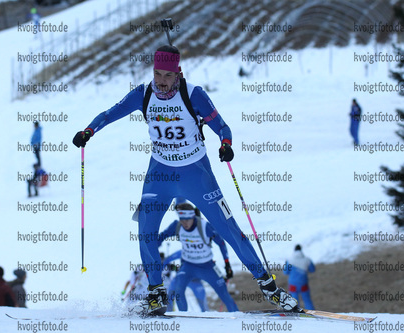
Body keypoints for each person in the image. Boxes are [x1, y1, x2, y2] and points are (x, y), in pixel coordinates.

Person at [73, 44, 298, 316]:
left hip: (195, 174)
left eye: (168, 75)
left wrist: (226, 145)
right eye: (157, 73)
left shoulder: (194, 95)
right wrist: (89, 131)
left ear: (178, 73)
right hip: (159, 174)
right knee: (146, 230)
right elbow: (110, 113)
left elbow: (222, 127)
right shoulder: (143, 94)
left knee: (228, 229)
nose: (161, 81)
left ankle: (268, 285)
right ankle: (156, 293)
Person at [158, 202, 237, 312]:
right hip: (188, 266)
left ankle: (237, 317)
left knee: (224, 294)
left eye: (187, 220)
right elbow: (161, 237)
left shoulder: (204, 226)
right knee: (178, 290)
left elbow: (221, 243)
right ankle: (184, 318)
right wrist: (151, 248)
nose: (184, 223)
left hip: (207, 266)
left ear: (192, 217)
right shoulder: (177, 225)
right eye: (182, 219)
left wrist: (227, 264)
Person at [283, 244, 315, 310]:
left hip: (293, 284)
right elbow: (312, 269)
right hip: (303, 283)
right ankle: (312, 313)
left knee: (294, 301)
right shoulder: (307, 260)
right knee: (307, 300)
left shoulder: (290, 260)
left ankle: (295, 314)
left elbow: (285, 272)